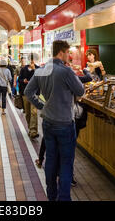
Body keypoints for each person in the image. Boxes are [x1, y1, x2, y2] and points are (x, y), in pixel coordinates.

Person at [24, 40, 84, 201]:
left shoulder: (41, 70)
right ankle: (63, 198)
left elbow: (28, 91)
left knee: (51, 159)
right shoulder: (66, 71)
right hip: (64, 123)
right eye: (68, 53)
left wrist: (41, 105)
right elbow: (80, 90)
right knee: (66, 162)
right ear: (61, 53)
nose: (69, 56)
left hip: (48, 122)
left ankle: (51, 195)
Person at [19, 56, 40, 139]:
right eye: (30, 60)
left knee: (34, 112)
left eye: (33, 60)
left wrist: (34, 69)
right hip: (26, 93)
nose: (32, 62)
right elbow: (19, 80)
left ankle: (33, 131)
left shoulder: (39, 69)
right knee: (27, 113)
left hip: (35, 94)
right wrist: (23, 80)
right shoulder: (23, 69)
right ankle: (30, 129)